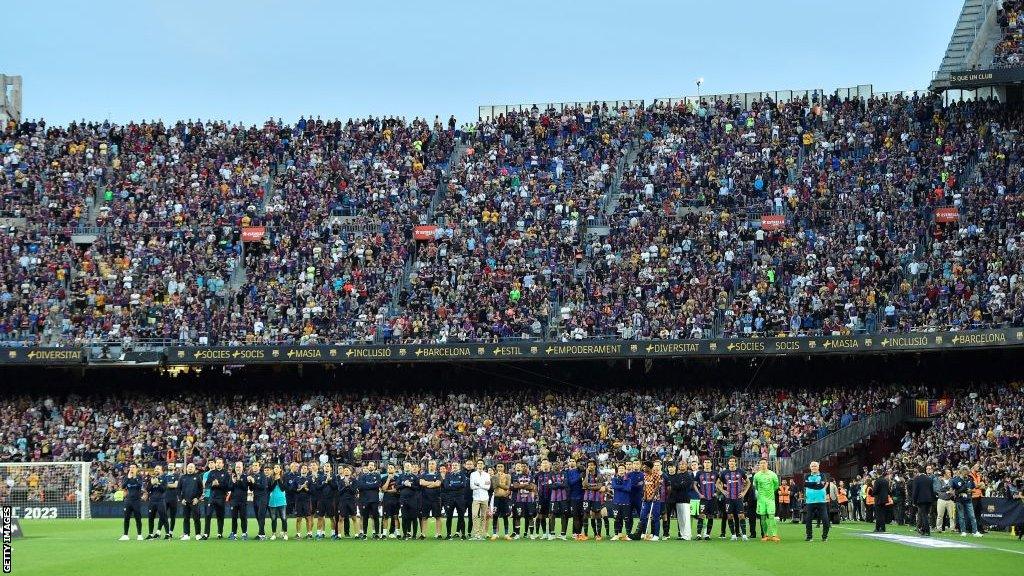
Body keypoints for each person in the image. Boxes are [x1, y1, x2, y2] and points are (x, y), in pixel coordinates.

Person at [717, 456, 750, 540]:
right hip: (728, 498)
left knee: (741, 515)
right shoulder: (724, 473)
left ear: (735, 462)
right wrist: (723, 491)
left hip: (738, 498)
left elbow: (748, 482)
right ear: (728, 463)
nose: (731, 463)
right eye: (730, 461)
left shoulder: (741, 471)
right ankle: (733, 535)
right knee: (729, 516)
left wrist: (744, 492)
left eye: (733, 461)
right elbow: (717, 483)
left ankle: (744, 535)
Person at [753, 458, 780, 542]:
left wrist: (770, 492)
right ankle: (765, 535)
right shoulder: (756, 475)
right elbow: (756, 486)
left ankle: (774, 535)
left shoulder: (773, 474)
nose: (763, 464)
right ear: (759, 465)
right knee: (763, 518)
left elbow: (776, 486)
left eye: (764, 463)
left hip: (770, 499)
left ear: (767, 464)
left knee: (772, 516)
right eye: (761, 463)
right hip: (761, 500)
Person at [202, 458, 230, 540]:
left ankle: (219, 533)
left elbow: (227, 487)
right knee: (208, 515)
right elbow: (207, 485)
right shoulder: (211, 473)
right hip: (212, 497)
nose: (218, 464)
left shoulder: (226, 474)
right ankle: (206, 534)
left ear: (223, 464)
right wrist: (212, 484)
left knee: (220, 516)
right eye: (217, 462)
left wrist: (218, 484)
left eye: (220, 462)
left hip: (221, 498)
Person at [951, 465, 983, 537]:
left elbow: (973, 488)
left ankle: (975, 532)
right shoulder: (955, 480)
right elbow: (952, 491)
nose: (966, 474)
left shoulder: (970, 479)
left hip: (968, 500)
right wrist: (959, 492)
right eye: (965, 472)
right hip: (959, 500)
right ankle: (963, 531)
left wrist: (970, 490)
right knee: (961, 516)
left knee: (972, 516)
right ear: (961, 472)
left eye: (967, 472)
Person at [636, 461, 664, 541]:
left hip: (655, 500)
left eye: (645, 467)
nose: (643, 468)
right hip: (646, 499)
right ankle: (643, 533)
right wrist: (644, 496)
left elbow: (657, 487)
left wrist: (652, 496)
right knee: (643, 516)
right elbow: (645, 487)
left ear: (649, 467)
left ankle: (656, 535)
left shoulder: (656, 475)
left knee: (655, 517)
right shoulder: (645, 476)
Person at [804, 461, 830, 541]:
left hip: (821, 501)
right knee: (808, 519)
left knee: (825, 520)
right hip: (810, 501)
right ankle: (809, 536)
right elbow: (806, 484)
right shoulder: (807, 475)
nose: (814, 467)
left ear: (818, 467)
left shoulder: (822, 475)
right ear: (810, 468)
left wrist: (812, 484)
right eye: (812, 466)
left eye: (815, 466)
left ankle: (824, 537)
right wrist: (816, 483)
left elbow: (821, 485)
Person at [442, 462, 469, 539]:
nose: (454, 466)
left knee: (461, 516)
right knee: (449, 516)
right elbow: (446, 486)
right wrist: (457, 485)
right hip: (450, 498)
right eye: (453, 465)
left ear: (459, 466)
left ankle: (463, 534)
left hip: (460, 498)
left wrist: (452, 484)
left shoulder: (462, 475)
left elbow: (463, 485)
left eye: (456, 465)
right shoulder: (448, 475)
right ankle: (448, 534)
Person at [356, 462, 383, 539]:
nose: (370, 466)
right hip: (365, 500)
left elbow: (378, 485)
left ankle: (377, 533)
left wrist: (367, 485)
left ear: (374, 467)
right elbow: (361, 486)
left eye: (372, 465)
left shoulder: (377, 475)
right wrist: (372, 485)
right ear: (368, 467)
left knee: (375, 517)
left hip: (374, 499)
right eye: (369, 465)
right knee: (365, 517)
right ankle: (364, 534)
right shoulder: (363, 476)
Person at [510, 462, 537, 540]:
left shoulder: (531, 476)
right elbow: (515, 486)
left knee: (530, 516)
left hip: (529, 500)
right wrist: (526, 485)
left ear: (527, 467)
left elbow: (532, 487)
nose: (523, 468)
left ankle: (531, 534)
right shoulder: (516, 476)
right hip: (519, 500)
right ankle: (517, 534)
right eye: (522, 466)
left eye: (525, 466)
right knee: (518, 517)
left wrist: (521, 485)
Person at [418, 460, 443, 540]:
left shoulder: (438, 474)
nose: (431, 465)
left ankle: (438, 534)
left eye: (433, 464)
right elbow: (421, 483)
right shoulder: (423, 474)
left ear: (435, 465)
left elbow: (438, 484)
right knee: (424, 517)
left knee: (438, 517)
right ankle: (423, 534)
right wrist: (432, 483)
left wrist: (427, 483)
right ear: (428, 465)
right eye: (430, 464)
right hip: (425, 499)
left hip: (436, 499)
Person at [119, 463, 145, 541]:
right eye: (130, 467)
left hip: (136, 501)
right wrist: (128, 478)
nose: (131, 469)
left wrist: (134, 477)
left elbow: (140, 485)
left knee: (138, 518)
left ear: (136, 469)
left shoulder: (139, 477)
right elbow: (123, 486)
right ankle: (125, 535)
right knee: (126, 518)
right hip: (128, 500)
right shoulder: (126, 477)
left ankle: (139, 535)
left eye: (133, 467)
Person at [178, 462, 203, 540]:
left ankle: (198, 534)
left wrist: (197, 498)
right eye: (189, 467)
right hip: (185, 501)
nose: (190, 468)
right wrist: (181, 499)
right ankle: (186, 535)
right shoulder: (182, 477)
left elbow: (201, 489)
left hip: (194, 501)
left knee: (196, 518)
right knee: (186, 518)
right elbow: (178, 489)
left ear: (194, 468)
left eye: (192, 467)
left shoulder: (197, 477)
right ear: (186, 468)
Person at [910, 465, 936, 536]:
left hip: (921, 500)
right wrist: (932, 500)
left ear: (918, 471)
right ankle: (923, 530)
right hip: (929, 500)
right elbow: (931, 490)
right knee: (925, 515)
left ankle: (927, 531)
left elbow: (915, 491)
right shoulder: (929, 478)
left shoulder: (917, 479)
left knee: (924, 515)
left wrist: (914, 501)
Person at [581, 460, 605, 540]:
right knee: (585, 515)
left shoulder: (599, 475)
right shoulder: (584, 474)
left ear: (595, 466)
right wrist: (587, 474)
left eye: (591, 465)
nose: (590, 466)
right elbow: (584, 484)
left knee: (598, 515)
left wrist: (589, 487)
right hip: (586, 498)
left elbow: (599, 486)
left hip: (596, 498)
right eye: (589, 465)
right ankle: (586, 535)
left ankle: (598, 535)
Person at [695, 459, 718, 540]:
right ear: (703, 464)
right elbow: (694, 484)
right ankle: (698, 534)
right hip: (703, 498)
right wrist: (699, 494)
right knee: (701, 515)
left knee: (710, 516)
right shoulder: (699, 473)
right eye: (705, 462)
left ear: (711, 464)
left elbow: (720, 483)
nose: (707, 464)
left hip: (712, 498)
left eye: (708, 462)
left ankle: (707, 534)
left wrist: (717, 492)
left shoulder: (715, 473)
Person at [610, 463, 633, 541]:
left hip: (626, 502)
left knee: (627, 519)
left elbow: (628, 489)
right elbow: (614, 486)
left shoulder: (628, 479)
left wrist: (619, 487)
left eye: (622, 469)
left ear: (625, 470)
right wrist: (623, 486)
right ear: (618, 470)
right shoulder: (614, 479)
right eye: (619, 469)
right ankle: (617, 534)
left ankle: (628, 535)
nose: (621, 470)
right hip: (616, 502)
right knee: (616, 519)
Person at [227, 461, 250, 540]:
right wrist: (233, 482)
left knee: (243, 517)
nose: (238, 468)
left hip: (243, 501)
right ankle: (234, 533)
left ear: (242, 468)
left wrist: (239, 480)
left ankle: (244, 533)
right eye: (237, 467)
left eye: (239, 467)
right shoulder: (232, 477)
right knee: (234, 518)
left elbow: (244, 488)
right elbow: (229, 488)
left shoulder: (245, 477)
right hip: (234, 501)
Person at [145, 464, 169, 540]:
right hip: (152, 500)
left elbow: (164, 489)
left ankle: (167, 534)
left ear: (161, 470)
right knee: (151, 517)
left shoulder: (164, 478)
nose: (156, 470)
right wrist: (152, 484)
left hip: (160, 500)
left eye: (158, 469)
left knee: (163, 517)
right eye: (155, 469)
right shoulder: (151, 478)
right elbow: (148, 489)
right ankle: (150, 534)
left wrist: (158, 483)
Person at [547, 460, 569, 540]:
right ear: (552, 466)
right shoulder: (550, 474)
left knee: (564, 515)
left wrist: (556, 484)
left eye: (558, 464)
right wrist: (560, 484)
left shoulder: (564, 474)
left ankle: (563, 534)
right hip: (553, 498)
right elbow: (550, 486)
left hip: (563, 498)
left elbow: (566, 484)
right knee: (552, 515)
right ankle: (552, 533)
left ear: (561, 466)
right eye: (555, 464)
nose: (556, 466)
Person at [470, 459, 491, 540]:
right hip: (476, 498)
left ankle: (481, 534)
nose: (480, 465)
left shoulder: (487, 475)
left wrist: (478, 484)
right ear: (476, 465)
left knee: (483, 516)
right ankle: (476, 534)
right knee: (474, 515)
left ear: (484, 465)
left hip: (485, 498)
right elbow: (472, 486)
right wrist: (482, 485)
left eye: (481, 463)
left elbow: (488, 487)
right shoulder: (473, 474)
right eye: (478, 463)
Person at [398, 462, 420, 539]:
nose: (407, 467)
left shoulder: (415, 477)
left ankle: (414, 535)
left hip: (413, 500)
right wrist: (404, 484)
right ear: (404, 468)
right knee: (404, 517)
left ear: (411, 468)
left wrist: (411, 485)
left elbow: (418, 488)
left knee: (414, 517)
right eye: (406, 466)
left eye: (408, 466)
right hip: (403, 500)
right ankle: (404, 534)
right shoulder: (401, 476)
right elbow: (397, 487)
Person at [490, 462, 512, 540]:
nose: (499, 468)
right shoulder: (493, 477)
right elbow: (494, 486)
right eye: (498, 466)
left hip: (505, 498)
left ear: (504, 468)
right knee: (495, 516)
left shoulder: (508, 476)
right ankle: (494, 533)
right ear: (496, 468)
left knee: (505, 516)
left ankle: (506, 534)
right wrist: (500, 482)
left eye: (501, 466)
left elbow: (507, 487)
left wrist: (499, 483)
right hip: (496, 498)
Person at [251, 463, 273, 540]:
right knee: (257, 516)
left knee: (261, 515)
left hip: (263, 498)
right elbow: (251, 489)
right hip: (255, 498)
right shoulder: (253, 476)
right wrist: (250, 482)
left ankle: (261, 534)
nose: (254, 467)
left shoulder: (263, 475)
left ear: (259, 467)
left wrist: (254, 482)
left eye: (256, 465)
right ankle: (262, 533)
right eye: (253, 465)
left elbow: (263, 487)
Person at [564, 458, 584, 539]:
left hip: (582, 496)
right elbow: (570, 483)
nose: (572, 462)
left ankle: (579, 532)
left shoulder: (579, 470)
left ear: (576, 463)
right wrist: (579, 477)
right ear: (568, 463)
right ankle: (576, 533)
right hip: (573, 496)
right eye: (570, 461)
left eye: (573, 461)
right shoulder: (567, 472)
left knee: (581, 515)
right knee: (575, 515)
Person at [268, 464, 288, 540]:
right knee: (273, 519)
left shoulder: (284, 477)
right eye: (274, 467)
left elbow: (283, 488)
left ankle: (285, 534)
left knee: (283, 518)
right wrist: (275, 480)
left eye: (277, 467)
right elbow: (270, 489)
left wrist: (279, 479)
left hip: (282, 501)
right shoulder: (270, 478)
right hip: (272, 501)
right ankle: (273, 534)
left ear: (280, 469)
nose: (276, 468)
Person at [337, 465, 357, 539]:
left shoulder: (354, 480)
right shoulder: (340, 481)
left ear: (350, 472)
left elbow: (354, 491)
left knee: (354, 518)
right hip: (343, 502)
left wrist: (348, 485)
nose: (346, 471)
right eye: (345, 470)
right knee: (341, 518)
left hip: (351, 501)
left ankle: (356, 534)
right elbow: (339, 492)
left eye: (347, 470)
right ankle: (339, 535)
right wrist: (345, 486)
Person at [293, 463, 312, 539]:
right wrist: (300, 489)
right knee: (298, 518)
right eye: (302, 468)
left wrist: (306, 488)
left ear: (307, 470)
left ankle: (309, 534)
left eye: (305, 468)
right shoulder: (296, 479)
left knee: (308, 518)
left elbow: (312, 491)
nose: (303, 469)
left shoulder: (310, 479)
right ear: (300, 470)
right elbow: (293, 489)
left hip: (307, 501)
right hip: (298, 501)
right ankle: (298, 534)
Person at [381, 464, 400, 538]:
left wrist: (387, 491)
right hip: (386, 500)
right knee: (385, 517)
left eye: (391, 468)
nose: (390, 469)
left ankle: (398, 533)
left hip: (396, 499)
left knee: (396, 516)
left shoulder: (398, 478)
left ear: (394, 469)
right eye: (388, 468)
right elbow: (383, 489)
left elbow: (397, 490)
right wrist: (388, 479)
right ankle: (384, 534)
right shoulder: (384, 478)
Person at [935, 468, 956, 533]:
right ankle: (939, 528)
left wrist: (952, 492)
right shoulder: (939, 480)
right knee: (940, 515)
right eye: (948, 473)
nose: (950, 474)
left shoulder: (952, 480)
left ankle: (952, 528)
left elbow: (954, 489)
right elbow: (938, 490)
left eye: (950, 472)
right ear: (944, 474)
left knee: (952, 515)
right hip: (941, 500)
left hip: (950, 500)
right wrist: (946, 490)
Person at [163, 464, 180, 539]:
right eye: (169, 465)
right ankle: (160, 532)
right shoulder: (164, 475)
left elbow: (175, 485)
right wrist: (170, 484)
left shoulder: (176, 475)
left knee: (173, 516)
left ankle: (171, 532)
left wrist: (165, 484)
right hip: (164, 498)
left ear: (174, 467)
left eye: (172, 465)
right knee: (163, 515)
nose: (170, 466)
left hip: (173, 498)